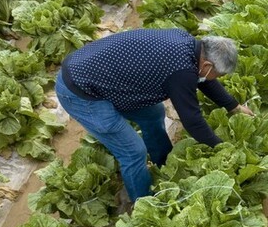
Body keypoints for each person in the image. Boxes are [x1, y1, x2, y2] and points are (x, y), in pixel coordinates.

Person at [55, 28, 253, 203]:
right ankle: (143, 203)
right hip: (80, 92)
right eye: (217, 75)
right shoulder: (182, 71)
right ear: (207, 64)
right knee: (133, 152)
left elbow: (205, 80)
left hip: (100, 76)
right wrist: (222, 148)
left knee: (153, 113)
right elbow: (193, 121)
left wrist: (233, 106)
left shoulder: (188, 45)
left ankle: (164, 162)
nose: (215, 79)